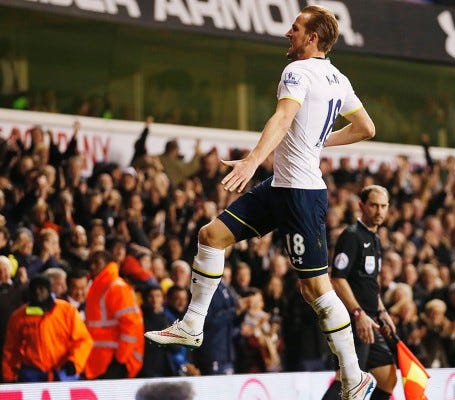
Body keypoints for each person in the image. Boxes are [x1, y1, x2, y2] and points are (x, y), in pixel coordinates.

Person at [145, 5, 376, 398]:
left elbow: (283, 119)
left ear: (313, 38)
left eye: (296, 28)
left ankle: (353, 379)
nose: (289, 33)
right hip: (282, 186)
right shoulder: (339, 78)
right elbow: (366, 128)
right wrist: (319, 142)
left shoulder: (297, 71)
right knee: (211, 235)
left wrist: (253, 160)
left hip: (301, 193)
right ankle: (193, 324)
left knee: (317, 291)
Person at [323, 185, 397, 400]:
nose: (379, 211)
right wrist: (358, 313)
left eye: (383, 206)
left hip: (370, 319)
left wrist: (382, 311)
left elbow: (370, 282)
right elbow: (337, 278)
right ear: (361, 206)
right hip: (354, 320)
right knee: (347, 380)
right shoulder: (352, 236)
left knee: (387, 377)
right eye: (374, 205)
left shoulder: (376, 238)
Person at [2, 275, 93, 382]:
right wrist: (8, 376)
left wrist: (74, 363)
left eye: (41, 289)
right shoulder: (19, 317)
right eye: (34, 289)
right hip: (32, 374)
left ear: (49, 290)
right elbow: (11, 350)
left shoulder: (67, 311)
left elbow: (83, 340)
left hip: (63, 372)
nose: (38, 292)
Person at [84, 250, 144, 379]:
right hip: (102, 360)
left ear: (108, 264)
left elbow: (131, 325)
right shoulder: (98, 287)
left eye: (97, 263)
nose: (93, 266)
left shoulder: (115, 287)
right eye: (91, 263)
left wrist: (120, 360)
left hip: (115, 361)